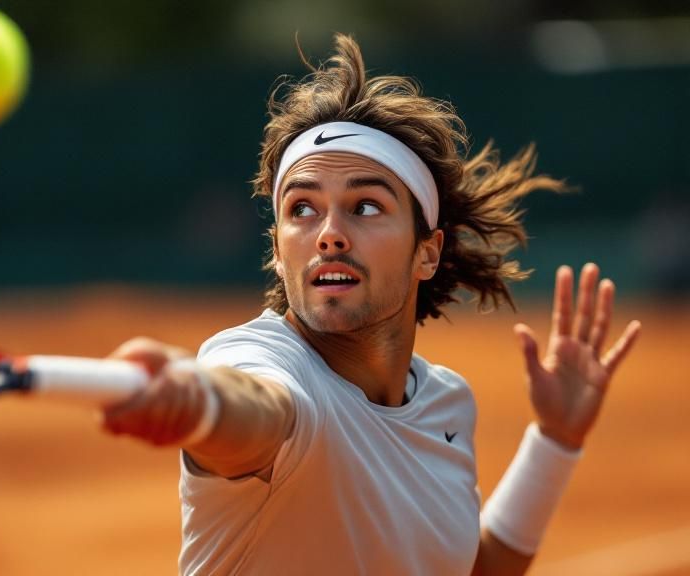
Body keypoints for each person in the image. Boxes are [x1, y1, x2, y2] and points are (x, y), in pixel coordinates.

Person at [102, 34, 641, 575]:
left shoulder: (446, 404)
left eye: (365, 206)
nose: (329, 233)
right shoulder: (259, 360)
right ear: (278, 252)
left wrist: (555, 441)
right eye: (302, 208)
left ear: (427, 252)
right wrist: (202, 402)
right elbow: (258, 406)